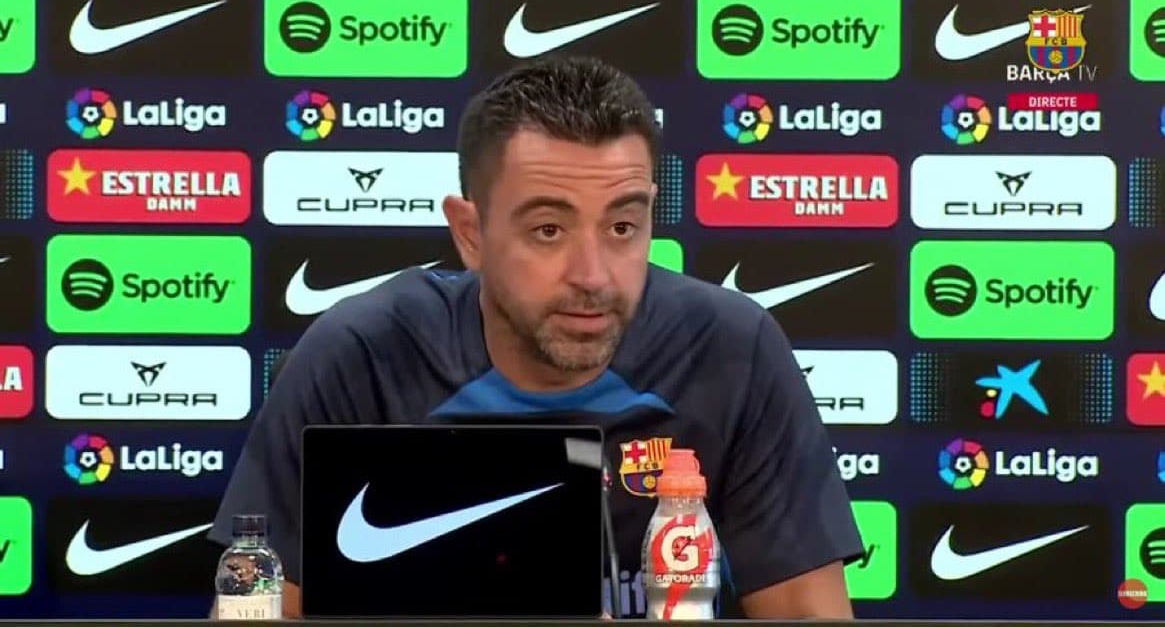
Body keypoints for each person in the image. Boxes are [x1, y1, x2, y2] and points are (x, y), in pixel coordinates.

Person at [208, 54, 864, 619]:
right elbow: (254, 610)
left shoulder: (731, 347)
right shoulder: (362, 354)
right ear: (471, 234)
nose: (593, 275)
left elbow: (810, 612)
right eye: (548, 230)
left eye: (622, 227)